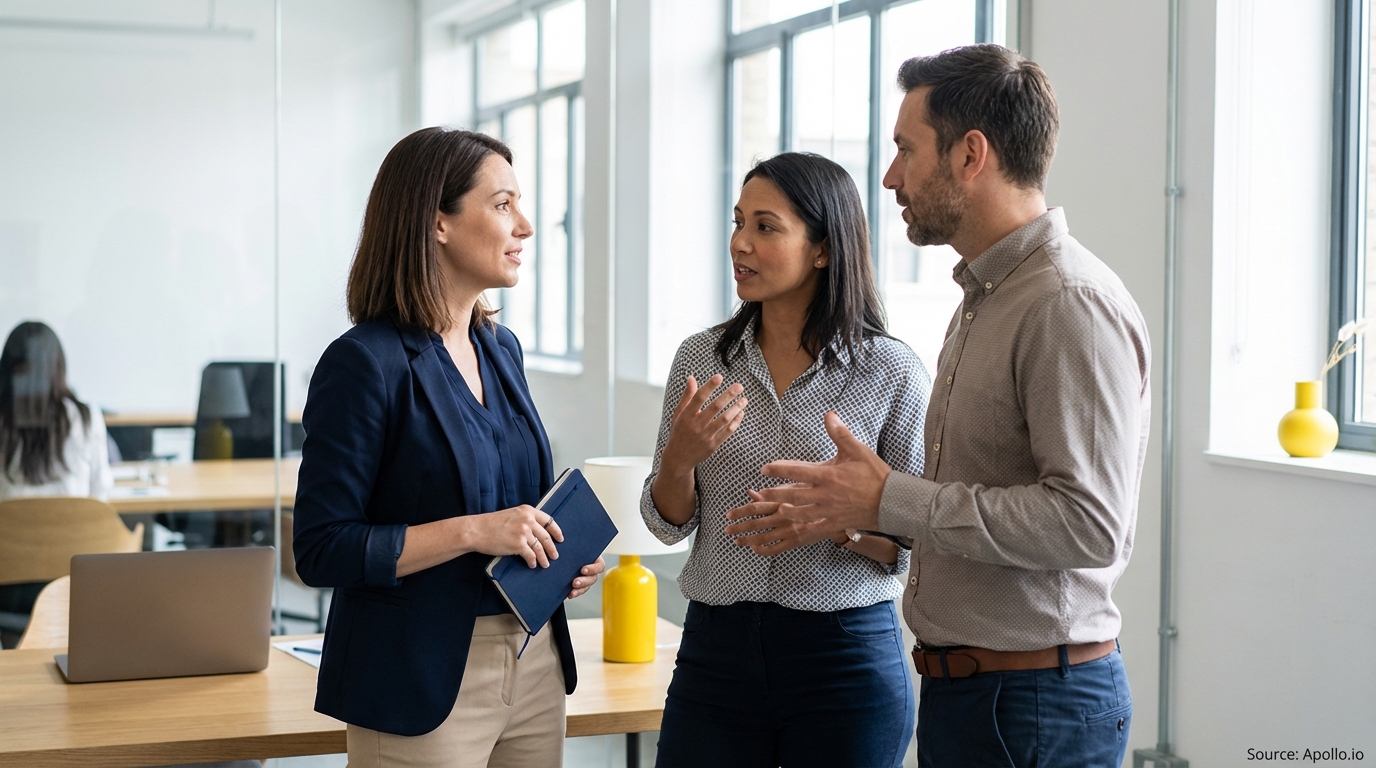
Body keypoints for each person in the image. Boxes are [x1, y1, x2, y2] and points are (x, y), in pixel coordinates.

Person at [730, 45, 1151, 767]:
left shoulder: (1064, 303)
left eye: (905, 149)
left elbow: (1090, 524)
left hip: (1034, 706)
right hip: (976, 697)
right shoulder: (987, 299)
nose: (890, 177)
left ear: (970, 155)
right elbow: (987, 506)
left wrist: (890, 499)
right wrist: (858, 515)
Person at [291, 127, 605, 768]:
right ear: (437, 223)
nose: (525, 225)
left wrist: (549, 550)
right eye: (502, 205)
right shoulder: (364, 364)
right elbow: (322, 550)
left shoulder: (501, 349)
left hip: (534, 656)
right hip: (420, 676)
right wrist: (474, 532)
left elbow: (509, 508)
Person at [642, 152, 931, 768]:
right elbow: (667, 521)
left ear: (823, 249)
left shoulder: (892, 371)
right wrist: (679, 459)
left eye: (765, 227)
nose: (739, 243)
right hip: (716, 649)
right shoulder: (700, 360)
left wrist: (841, 519)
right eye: (738, 221)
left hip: (843, 659)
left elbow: (914, 542)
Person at [0, 321, 112, 501]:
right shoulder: (85, 417)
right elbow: (100, 493)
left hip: (8, 529)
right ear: (57, 366)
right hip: (73, 528)